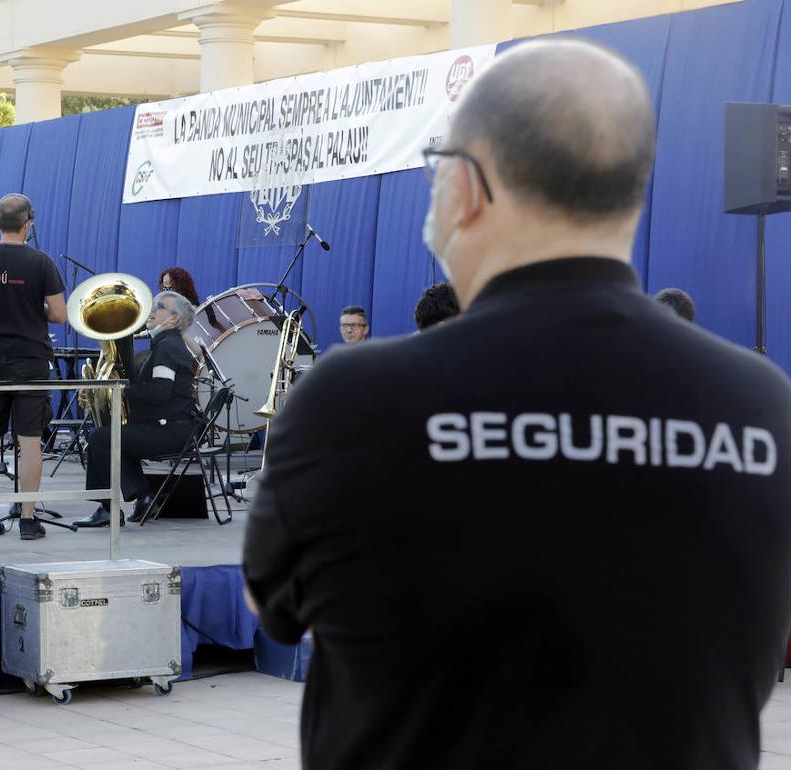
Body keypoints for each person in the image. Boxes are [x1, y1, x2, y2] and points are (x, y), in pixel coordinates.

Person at [243, 39, 791, 770]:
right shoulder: (762, 404)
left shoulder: (350, 397)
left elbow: (271, 609)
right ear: (627, 192)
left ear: (466, 188)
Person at [0, 193, 67, 541]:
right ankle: (28, 518)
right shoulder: (42, 262)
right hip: (31, 361)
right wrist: (37, 310)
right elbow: (60, 315)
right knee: (30, 440)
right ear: (28, 224)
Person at [75, 291, 199, 527]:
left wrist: (118, 389)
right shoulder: (163, 345)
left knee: (101, 437)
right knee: (112, 433)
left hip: (172, 431)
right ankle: (143, 497)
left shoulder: (167, 347)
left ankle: (109, 509)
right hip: (170, 427)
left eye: (159, 306)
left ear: (174, 319)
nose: (151, 310)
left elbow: (160, 391)